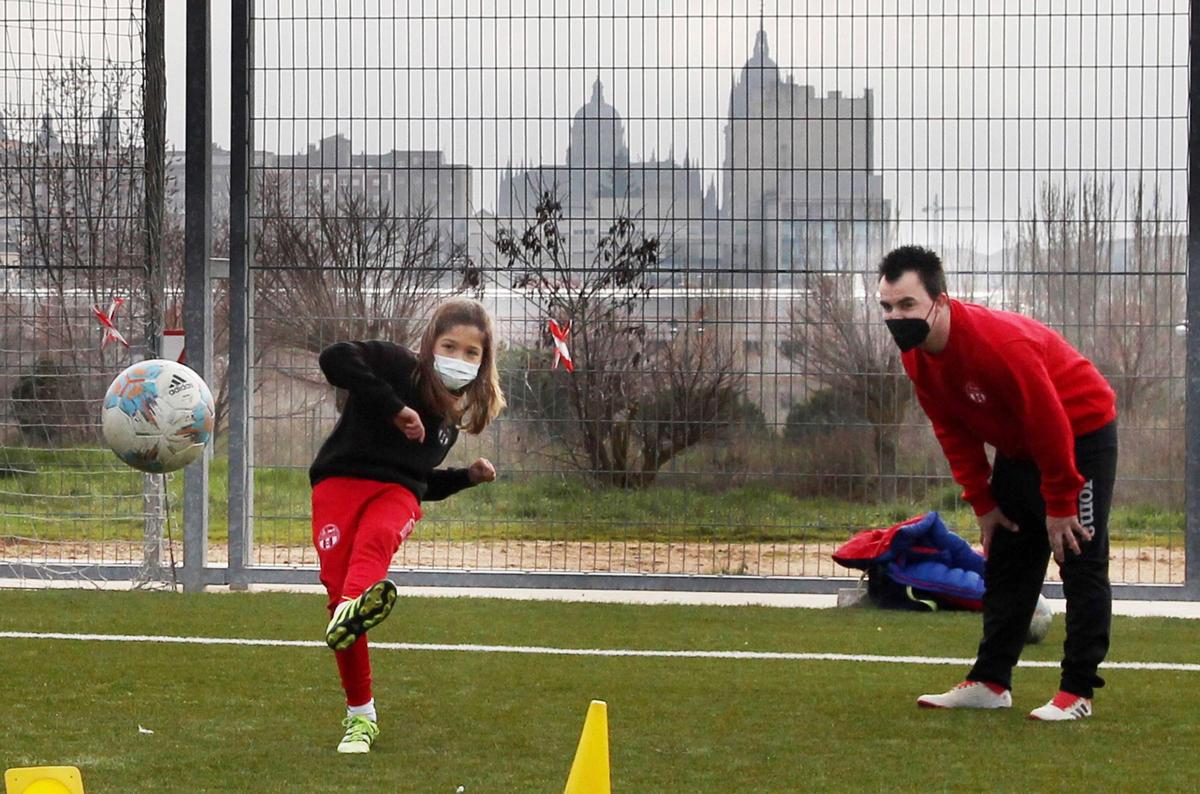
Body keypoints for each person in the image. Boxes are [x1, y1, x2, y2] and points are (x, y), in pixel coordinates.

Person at [876, 245, 1118, 721]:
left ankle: (1077, 692)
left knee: (1078, 556)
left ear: (939, 301)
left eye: (907, 305)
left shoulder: (998, 345)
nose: (895, 316)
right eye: (886, 306)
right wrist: (984, 504)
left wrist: (1061, 500)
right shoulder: (918, 358)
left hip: (1080, 431)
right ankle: (990, 682)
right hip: (1021, 446)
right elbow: (953, 432)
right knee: (1008, 557)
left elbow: (1051, 423)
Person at [309, 298, 505, 753]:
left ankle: (353, 604)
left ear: (483, 361)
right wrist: (395, 407)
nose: (458, 359)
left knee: (376, 541)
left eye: (470, 353)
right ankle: (361, 714)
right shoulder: (397, 366)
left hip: (394, 495)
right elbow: (334, 357)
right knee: (340, 600)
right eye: (449, 346)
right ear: (430, 344)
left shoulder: (448, 425)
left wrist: (465, 478)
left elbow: (418, 482)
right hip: (337, 483)